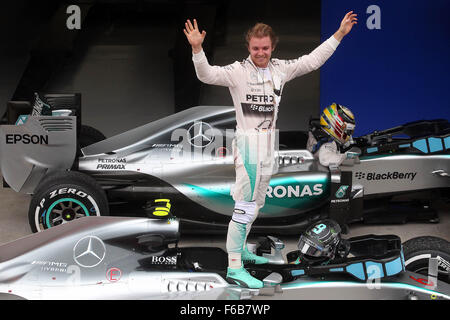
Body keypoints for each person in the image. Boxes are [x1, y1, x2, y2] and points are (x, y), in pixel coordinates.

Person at [184, 12, 358, 288]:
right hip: (249, 148)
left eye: (265, 48)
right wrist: (197, 48)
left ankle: (241, 252)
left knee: (255, 205)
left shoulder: (280, 68)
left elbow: (312, 61)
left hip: (268, 147)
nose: (261, 53)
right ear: (248, 48)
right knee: (244, 207)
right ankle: (234, 268)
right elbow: (206, 74)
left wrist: (339, 34)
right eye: (255, 48)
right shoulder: (238, 71)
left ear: (272, 46)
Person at [307, 103, 358, 167]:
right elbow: (325, 159)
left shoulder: (320, 137)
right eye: (348, 130)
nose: (349, 134)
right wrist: (346, 156)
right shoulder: (327, 142)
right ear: (336, 125)